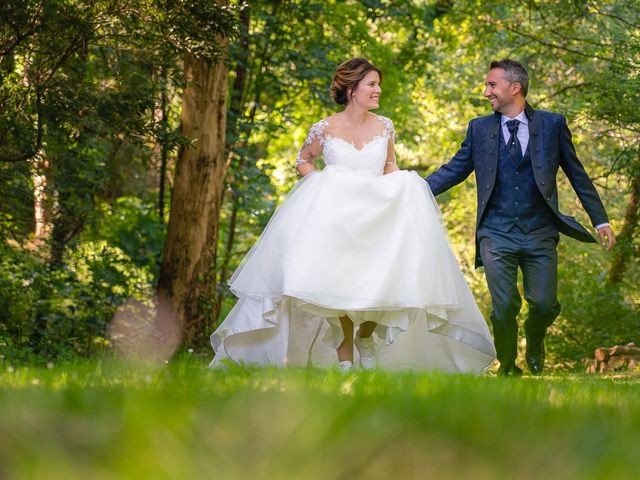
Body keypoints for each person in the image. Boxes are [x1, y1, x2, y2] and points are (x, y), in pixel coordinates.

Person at [209, 58, 496, 373]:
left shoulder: (385, 125)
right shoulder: (325, 127)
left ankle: (366, 336)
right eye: (371, 84)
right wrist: (317, 183)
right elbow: (303, 159)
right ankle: (345, 359)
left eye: (377, 83)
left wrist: (401, 191)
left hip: (374, 215)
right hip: (337, 217)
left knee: (383, 282)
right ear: (351, 88)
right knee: (337, 286)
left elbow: (389, 165)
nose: (378, 89)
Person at [426, 58, 615, 376]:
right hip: (495, 231)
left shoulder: (552, 125)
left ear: (515, 88)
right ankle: (509, 365)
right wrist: (413, 188)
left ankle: (536, 338)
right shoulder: (480, 129)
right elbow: (454, 170)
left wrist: (601, 220)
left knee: (542, 304)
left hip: (539, 230)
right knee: (503, 306)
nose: (486, 91)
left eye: (492, 85)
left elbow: (577, 174)